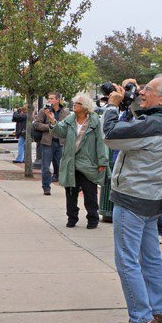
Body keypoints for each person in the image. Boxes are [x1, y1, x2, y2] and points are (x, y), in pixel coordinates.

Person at [103, 76, 162, 323]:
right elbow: (136, 129)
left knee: (126, 260)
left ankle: (142, 318)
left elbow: (112, 136)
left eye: (148, 89)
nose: (142, 91)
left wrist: (112, 106)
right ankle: (160, 309)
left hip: (132, 198)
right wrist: (130, 101)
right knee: (150, 258)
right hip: (152, 199)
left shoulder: (154, 124)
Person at [47, 93, 108, 229]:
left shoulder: (94, 121)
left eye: (78, 104)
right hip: (71, 162)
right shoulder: (70, 118)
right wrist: (52, 121)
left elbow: (100, 141)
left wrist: (102, 161)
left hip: (88, 163)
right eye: (74, 103)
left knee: (90, 194)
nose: (74, 105)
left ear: (86, 107)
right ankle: (72, 218)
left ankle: (93, 219)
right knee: (71, 193)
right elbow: (59, 132)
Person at [33, 92, 70, 195]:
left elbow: (69, 126)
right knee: (45, 167)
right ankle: (46, 187)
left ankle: (60, 181)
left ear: (58, 100)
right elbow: (36, 124)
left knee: (60, 166)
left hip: (60, 143)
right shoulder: (43, 111)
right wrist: (49, 126)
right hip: (47, 143)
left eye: (52, 98)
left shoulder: (66, 112)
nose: (49, 100)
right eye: (49, 98)